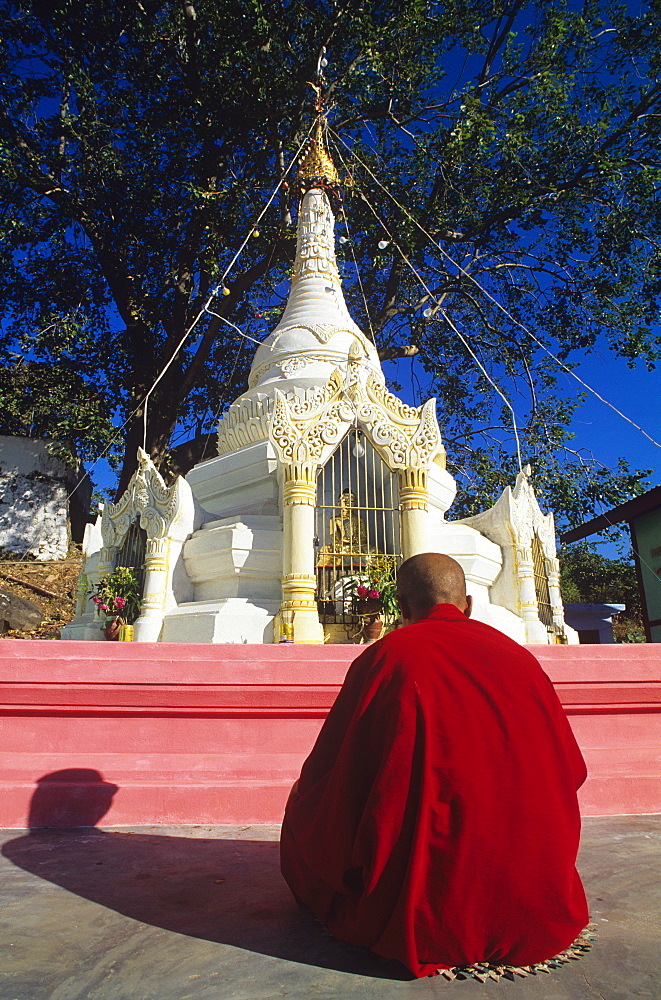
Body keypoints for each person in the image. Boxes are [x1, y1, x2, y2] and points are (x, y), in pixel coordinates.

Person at [280, 552, 589, 978]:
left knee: (304, 806)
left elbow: (331, 774)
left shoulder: (386, 658)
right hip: (536, 901)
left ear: (402, 608)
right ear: (468, 605)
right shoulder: (522, 660)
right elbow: (571, 769)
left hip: (429, 914)